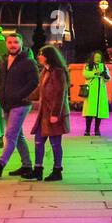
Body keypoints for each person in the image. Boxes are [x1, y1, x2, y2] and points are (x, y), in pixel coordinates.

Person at [0, 33, 39, 178]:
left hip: (21, 104)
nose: (13, 45)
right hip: (7, 103)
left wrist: (19, 95)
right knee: (18, 135)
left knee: (10, 135)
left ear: (21, 44)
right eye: (10, 42)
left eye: (16, 42)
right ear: (6, 44)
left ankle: (0, 165)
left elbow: (34, 82)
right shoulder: (3, 61)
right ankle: (27, 166)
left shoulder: (28, 61)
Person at [28, 45, 70, 182]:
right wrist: (24, 98)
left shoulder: (58, 72)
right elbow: (39, 89)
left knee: (55, 143)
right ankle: (38, 169)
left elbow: (60, 94)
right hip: (43, 114)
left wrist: (55, 114)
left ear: (49, 57)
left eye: (41, 54)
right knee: (38, 141)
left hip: (53, 114)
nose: (38, 56)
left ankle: (57, 170)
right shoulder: (45, 71)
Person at [82, 50, 111, 136]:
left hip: (100, 91)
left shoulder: (104, 67)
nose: (97, 59)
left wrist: (103, 74)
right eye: (96, 57)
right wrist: (95, 73)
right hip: (91, 91)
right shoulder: (88, 66)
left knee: (99, 112)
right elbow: (85, 74)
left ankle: (97, 129)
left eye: (99, 57)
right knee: (89, 111)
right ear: (93, 58)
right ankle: (87, 130)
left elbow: (108, 79)